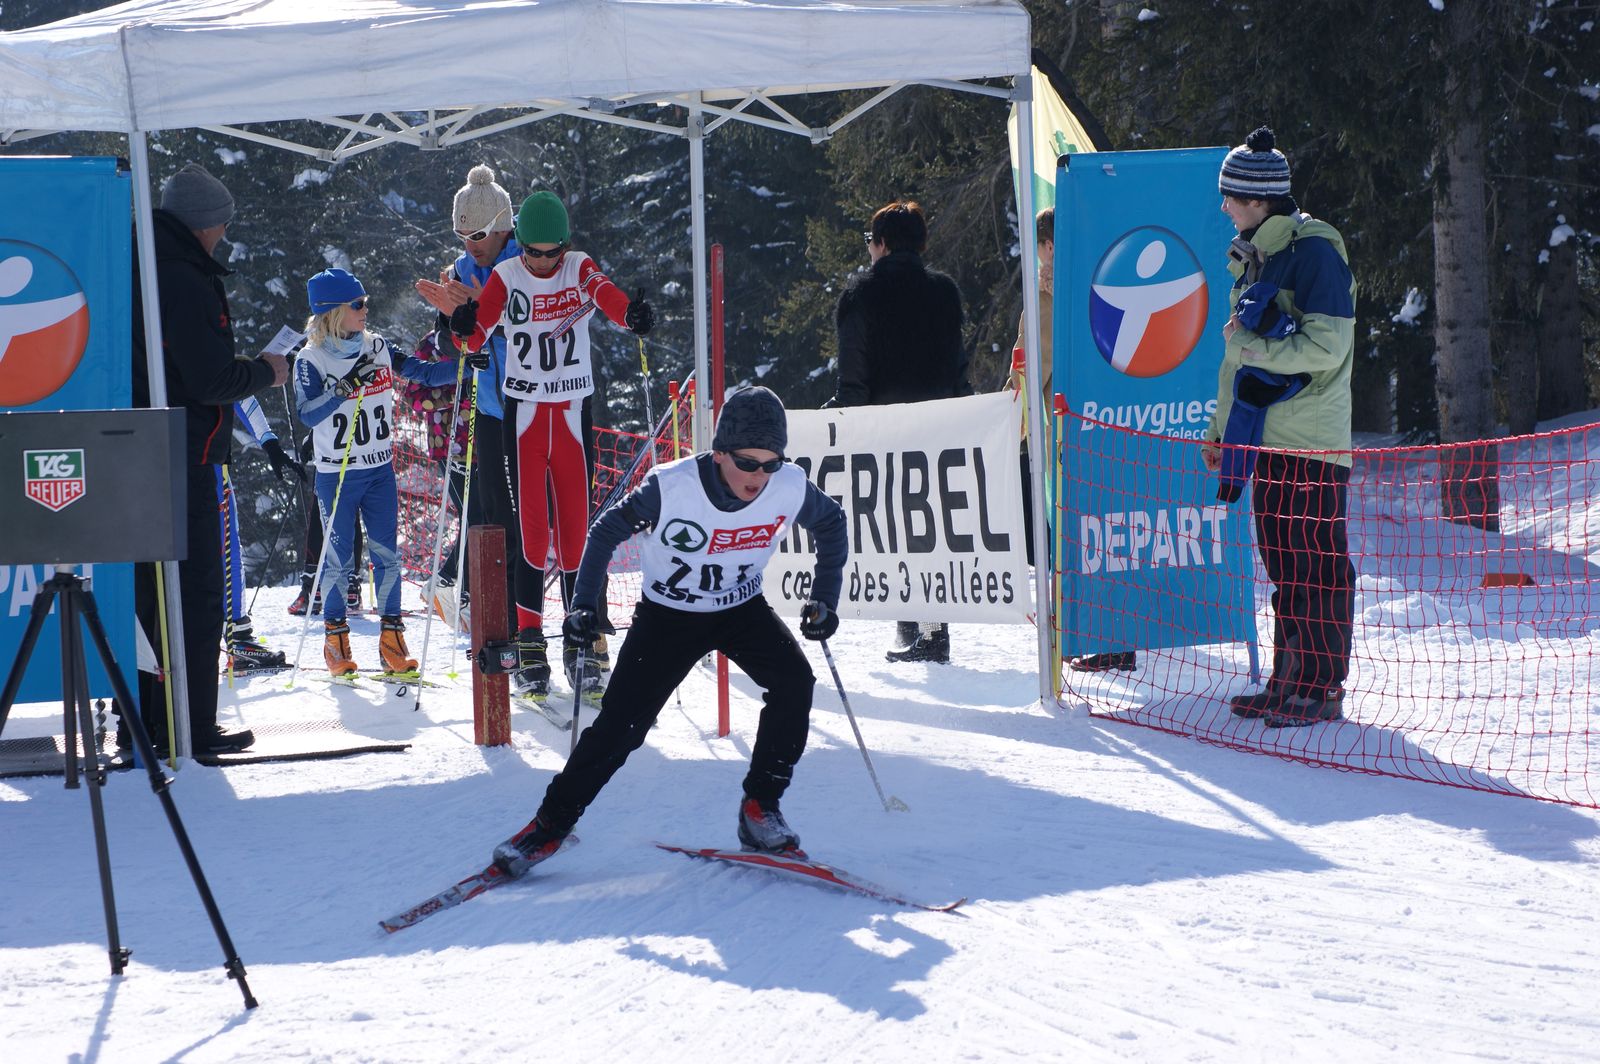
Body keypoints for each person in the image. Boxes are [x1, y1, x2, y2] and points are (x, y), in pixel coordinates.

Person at [489, 386, 849, 876]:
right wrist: (584, 604)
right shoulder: (673, 487)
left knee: (795, 683)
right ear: (720, 452)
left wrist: (824, 598)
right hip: (669, 617)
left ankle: (760, 808)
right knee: (621, 728)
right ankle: (549, 826)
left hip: (740, 607)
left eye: (771, 463)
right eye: (747, 462)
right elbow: (605, 532)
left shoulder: (788, 486)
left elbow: (832, 523)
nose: (759, 476)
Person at [418, 189, 654, 703]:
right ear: (520, 245)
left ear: (565, 244)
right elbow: (475, 334)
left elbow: (606, 294)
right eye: (533, 252)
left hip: (571, 414)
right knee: (530, 533)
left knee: (575, 532)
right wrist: (462, 326)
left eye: (552, 252)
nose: (544, 262)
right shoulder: (507, 276)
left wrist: (630, 315)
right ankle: (529, 640)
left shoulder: (577, 266)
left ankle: (583, 634)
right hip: (522, 417)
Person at [129, 162, 289, 755]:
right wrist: (264, 372)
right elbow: (207, 378)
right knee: (193, 596)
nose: (223, 236)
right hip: (182, 456)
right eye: (222, 225)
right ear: (203, 225)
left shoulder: (146, 263)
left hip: (141, 451)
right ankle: (188, 726)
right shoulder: (184, 277)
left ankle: (147, 721)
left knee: (151, 597)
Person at [1200, 126, 1357, 728]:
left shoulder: (1315, 253)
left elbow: (1328, 346)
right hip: (1266, 439)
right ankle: (1288, 680)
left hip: (1313, 444)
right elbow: (1236, 363)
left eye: (1231, 197)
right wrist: (1220, 431)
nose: (1224, 207)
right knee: (1284, 566)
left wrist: (1256, 348)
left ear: (1259, 199)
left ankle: (1321, 688)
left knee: (1317, 565)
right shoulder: (1258, 256)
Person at [293, 268, 463, 676]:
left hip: (378, 471)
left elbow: (422, 373)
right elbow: (307, 414)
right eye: (358, 304)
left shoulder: (377, 346)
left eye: (365, 302)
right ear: (334, 311)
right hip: (336, 474)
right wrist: (345, 387)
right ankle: (336, 642)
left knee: (388, 556)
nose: (365, 309)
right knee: (338, 562)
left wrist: (465, 367)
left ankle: (392, 642)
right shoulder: (310, 359)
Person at [829, 200, 971, 664]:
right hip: (939, 431)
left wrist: (834, 425)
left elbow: (853, 381)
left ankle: (924, 631)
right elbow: (958, 370)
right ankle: (919, 627)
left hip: (885, 433)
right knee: (931, 526)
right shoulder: (944, 293)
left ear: (882, 244)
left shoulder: (860, 296)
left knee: (895, 526)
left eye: (870, 241)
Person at [220, 395, 303, 671]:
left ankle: (238, 638)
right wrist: (269, 443)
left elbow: (241, 392)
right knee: (223, 546)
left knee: (222, 546)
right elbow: (241, 393)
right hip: (197, 465)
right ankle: (238, 638)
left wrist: (270, 443)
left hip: (192, 461)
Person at [286, 431, 366, 617]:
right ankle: (345, 588)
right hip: (350, 451)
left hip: (335, 452)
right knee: (345, 512)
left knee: (322, 514)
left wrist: (311, 439)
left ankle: (314, 589)